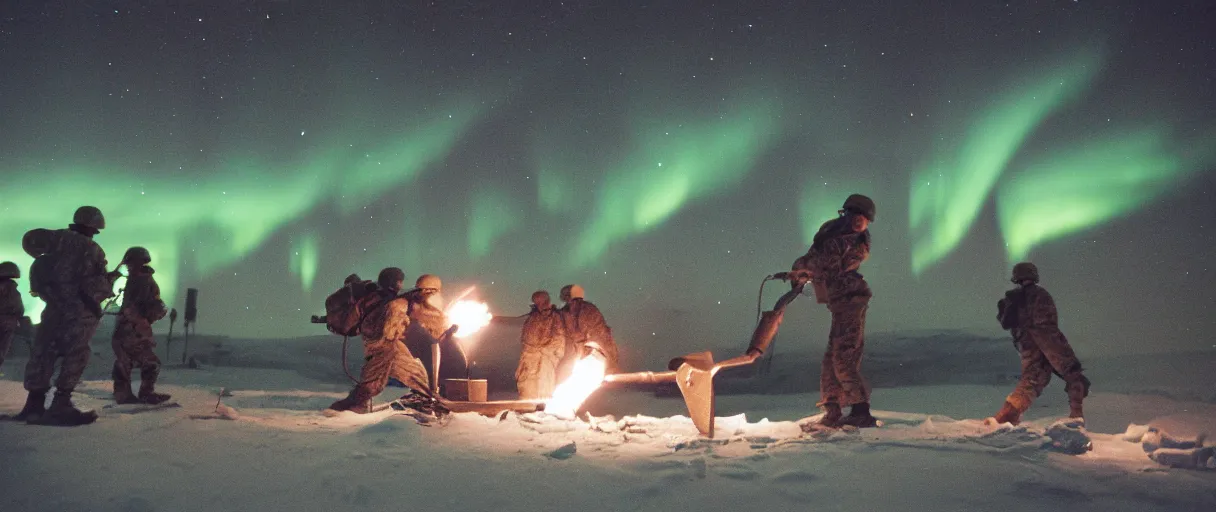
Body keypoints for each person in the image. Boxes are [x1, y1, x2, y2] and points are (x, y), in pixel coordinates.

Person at [16, 206, 121, 425]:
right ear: (94, 225)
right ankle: (60, 405)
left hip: (53, 310)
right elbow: (94, 284)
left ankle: (33, 405)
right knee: (77, 354)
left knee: (44, 353)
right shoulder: (92, 249)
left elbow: (39, 276)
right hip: (78, 312)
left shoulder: (54, 241)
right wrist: (111, 280)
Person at [785, 194, 877, 428]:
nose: (858, 222)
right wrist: (798, 271)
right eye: (854, 216)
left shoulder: (851, 243)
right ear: (846, 215)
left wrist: (802, 271)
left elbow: (827, 267)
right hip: (840, 303)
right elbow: (817, 260)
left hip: (850, 301)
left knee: (843, 356)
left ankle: (860, 410)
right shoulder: (832, 238)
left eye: (863, 219)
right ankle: (833, 409)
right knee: (831, 359)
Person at [989, 262, 1090, 425]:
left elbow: (1009, 323)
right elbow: (1045, 327)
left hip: (1026, 345)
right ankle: (1076, 419)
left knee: (1032, 380)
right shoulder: (1040, 295)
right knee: (1073, 374)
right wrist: (1059, 350)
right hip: (1045, 341)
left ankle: (1007, 415)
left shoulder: (1014, 298)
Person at [327, 267, 432, 413]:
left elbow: (352, 322)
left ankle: (422, 398)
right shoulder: (391, 301)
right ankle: (351, 405)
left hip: (387, 343)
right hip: (381, 344)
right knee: (373, 380)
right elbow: (389, 328)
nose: (401, 285)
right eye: (399, 281)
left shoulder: (372, 298)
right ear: (396, 282)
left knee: (413, 370)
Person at [110, 247, 171, 405]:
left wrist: (144, 320)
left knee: (139, 362)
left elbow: (138, 306)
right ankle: (132, 394)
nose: (129, 266)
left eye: (131, 263)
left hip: (133, 328)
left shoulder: (140, 281)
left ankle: (134, 394)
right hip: (132, 328)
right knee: (129, 361)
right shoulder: (140, 280)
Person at [492, 290, 567, 399]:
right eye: (536, 303)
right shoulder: (533, 318)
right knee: (526, 386)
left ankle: (541, 410)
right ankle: (526, 409)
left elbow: (559, 338)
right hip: (528, 359)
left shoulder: (555, 317)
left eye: (540, 302)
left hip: (543, 360)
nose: (538, 305)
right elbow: (526, 336)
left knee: (543, 386)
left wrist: (543, 351)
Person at [557, 284, 619, 377]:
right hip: (575, 351)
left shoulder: (588, 309)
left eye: (568, 296)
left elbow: (591, 332)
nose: (568, 300)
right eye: (565, 297)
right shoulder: (564, 312)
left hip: (594, 350)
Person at [0, 261, 24, 373]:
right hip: (8, 321)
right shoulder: (11, 288)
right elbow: (17, 307)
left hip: (7, 320)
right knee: (3, 348)